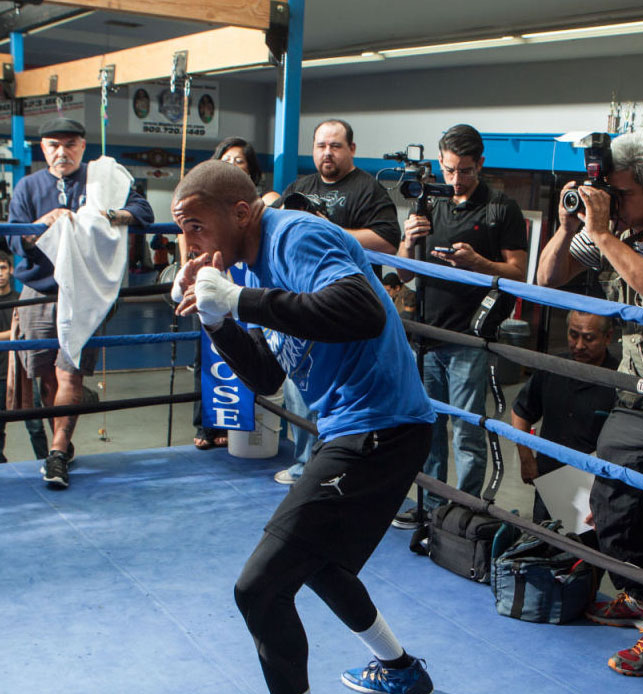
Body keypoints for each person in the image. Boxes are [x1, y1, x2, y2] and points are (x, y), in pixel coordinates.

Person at [172, 159, 436, 694]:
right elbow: (263, 375)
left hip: (380, 430)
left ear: (240, 210)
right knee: (315, 561)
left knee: (259, 587)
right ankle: (400, 668)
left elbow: (356, 310)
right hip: (357, 430)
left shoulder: (293, 236)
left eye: (197, 226)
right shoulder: (253, 267)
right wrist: (217, 319)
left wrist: (239, 302)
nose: (194, 244)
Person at [536, 129, 643, 676]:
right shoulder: (616, 230)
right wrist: (567, 227)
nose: (613, 203)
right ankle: (641, 594)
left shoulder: (617, 236)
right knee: (606, 496)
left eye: (623, 193)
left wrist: (604, 233)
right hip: (635, 392)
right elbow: (547, 279)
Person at [392, 123, 528, 528]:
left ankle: (463, 512)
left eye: (465, 171)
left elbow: (519, 273)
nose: (456, 180)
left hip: (471, 336)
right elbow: (402, 274)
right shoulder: (429, 202)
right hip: (428, 335)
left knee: (467, 432)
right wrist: (406, 240)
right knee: (428, 428)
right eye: (449, 170)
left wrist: (478, 264)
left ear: (480, 164)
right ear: (440, 163)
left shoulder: (501, 209)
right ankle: (433, 507)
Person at [8, 117, 154, 489]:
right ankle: (64, 441)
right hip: (40, 292)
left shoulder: (103, 177)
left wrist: (109, 216)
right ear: (43, 149)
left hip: (86, 292)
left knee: (68, 372)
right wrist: (43, 225)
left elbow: (142, 211)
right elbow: (14, 239)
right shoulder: (28, 186)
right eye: (53, 145)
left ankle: (56, 453)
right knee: (45, 375)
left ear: (82, 146)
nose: (62, 152)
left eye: (70, 144)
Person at [277, 118, 401, 485]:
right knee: (299, 390)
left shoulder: (368, 190)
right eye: (320, 146)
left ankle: (339, 470)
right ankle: (303, 466)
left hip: (347, 309)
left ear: (351, 149)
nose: (326, 153)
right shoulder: (300, 187)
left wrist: (328, 231)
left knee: (344, 396)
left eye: (335, 146)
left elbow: (387, 240)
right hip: (303, 304)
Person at [189, 137, 281, 450]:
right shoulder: (204, 212)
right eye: (225, 160)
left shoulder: (262, 204)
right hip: (215, 287)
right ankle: (207, 423)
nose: (231, 165)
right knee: (212, 349)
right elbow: (188, 246)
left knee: (253, 352)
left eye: (238, 161)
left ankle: (243, 425)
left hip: (249, 291)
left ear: (250, 170)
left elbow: (272, 203)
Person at [511, 310, 617, 522]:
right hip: (548, 481)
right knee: (541, 546)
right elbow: (521, 411)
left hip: (596, 491)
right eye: (573, 335)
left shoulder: (620, 383)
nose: (578, 345)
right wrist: (526, 457)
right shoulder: (552, 368)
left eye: (588, 338)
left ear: (608, 337)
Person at [0, 251, 48, 462]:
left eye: (2, 268)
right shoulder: (21, 304)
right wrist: (16, 330)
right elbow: (22, 329)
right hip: (0, 374)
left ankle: (47, 462)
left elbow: (29, 329)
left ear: (10, 270)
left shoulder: (20, 300)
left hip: (22, 370)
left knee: (36, 425)